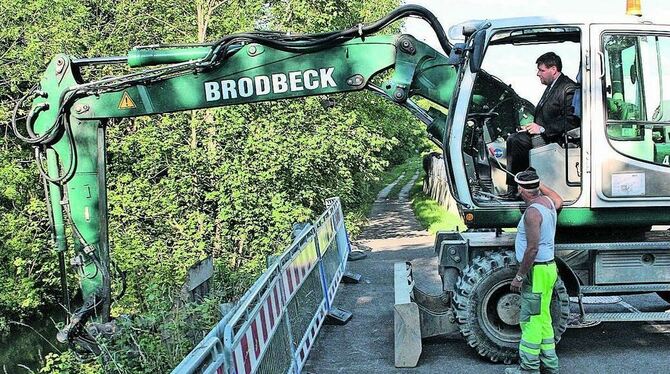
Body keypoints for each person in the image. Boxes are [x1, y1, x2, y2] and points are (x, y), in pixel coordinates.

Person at [505, 168, 563, 374]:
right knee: (543, 318)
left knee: (530, 320)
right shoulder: (548, 204)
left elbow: (532, 248)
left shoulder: (532, 213)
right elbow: (559, 199)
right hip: (549, 269)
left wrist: (520, 276)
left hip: (536, 272)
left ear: (521, 189)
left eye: (519, 187)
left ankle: (528, 369)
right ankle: (550, 365)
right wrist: (537, 184)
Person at [504, 52, 579, 198]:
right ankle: (518, 186)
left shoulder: (568, 88)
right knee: (514, 137)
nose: (538, 74)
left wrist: (542, 129)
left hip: (556, 139)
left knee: (517, 141)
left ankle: (518, 188)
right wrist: (532, 127)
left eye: (542, 70)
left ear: (554, 69)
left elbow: (570, 122)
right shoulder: (552, 86)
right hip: (547, 135)